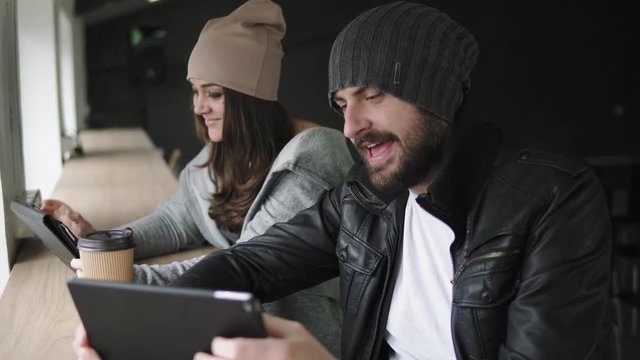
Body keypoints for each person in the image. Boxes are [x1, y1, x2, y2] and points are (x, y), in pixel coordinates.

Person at [75, 1, 617, 359]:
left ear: (438, 94)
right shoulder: (365, 199)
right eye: (342, 103)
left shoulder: (552, 201)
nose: (352, 127)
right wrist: (138, 325)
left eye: (373, 96)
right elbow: (248, 262)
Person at [49, 0, 353, 356]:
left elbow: (250, 260)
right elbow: (178, 220)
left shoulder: (312, 158)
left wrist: (128, 280)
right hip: (232, 330)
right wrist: (106, 242)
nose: (198, 106)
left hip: (301, 345)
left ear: (250, 98)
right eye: (195, 91)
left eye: (214, 93)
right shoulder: (227, 148)